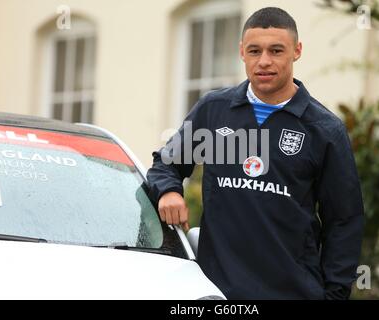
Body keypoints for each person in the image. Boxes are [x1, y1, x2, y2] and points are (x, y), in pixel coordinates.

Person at [147, 7, 364, 300]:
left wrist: (334, 295)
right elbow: (166, 164)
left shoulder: (324, 130)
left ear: (297, 51)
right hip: (216, 293)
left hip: (292, 292)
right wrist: (169, 192)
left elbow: (344, 222)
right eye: (254, 51)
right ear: (241, 52)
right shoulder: (214, 111)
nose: (264, 61)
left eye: (276, 50)